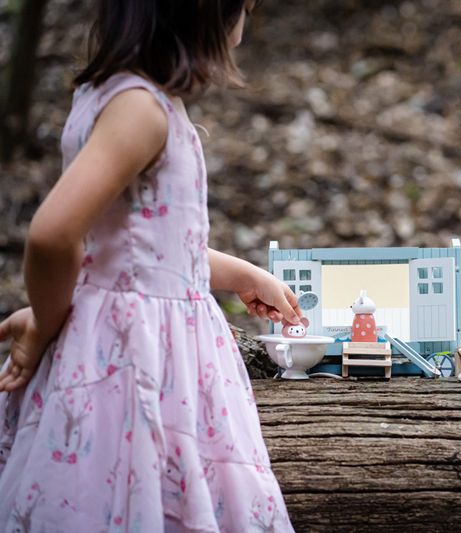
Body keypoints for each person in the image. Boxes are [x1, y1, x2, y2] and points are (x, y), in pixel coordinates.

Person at [0, 1, 299, 530]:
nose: (242, 27)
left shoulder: (121, 97)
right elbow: (52, 234)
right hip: (134, 358)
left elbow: (145, 250)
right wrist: (47, 322)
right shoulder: (140, 110)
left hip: (138, 344)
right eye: (245, 8)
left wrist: (243, 275)